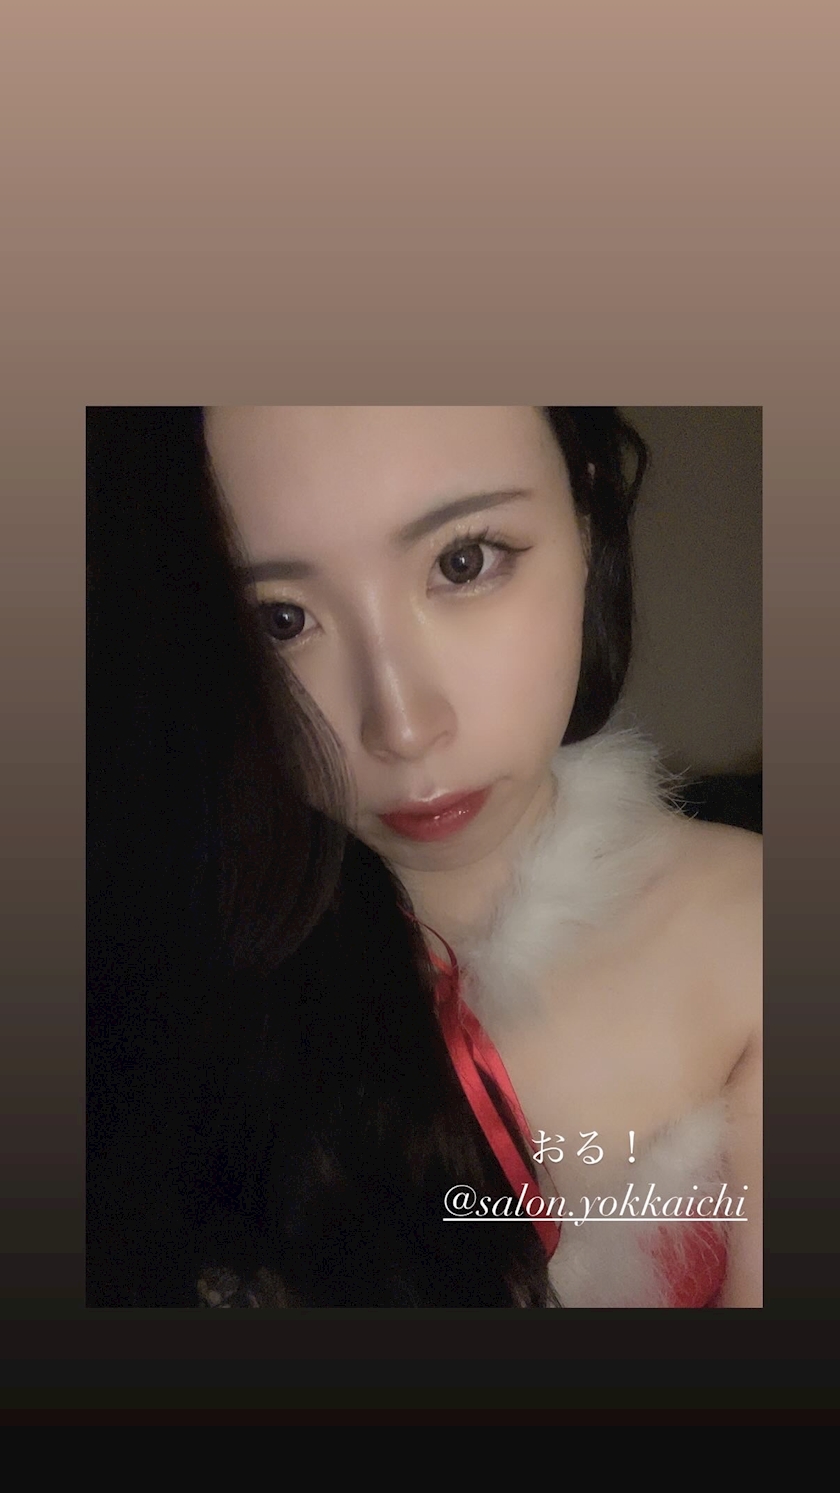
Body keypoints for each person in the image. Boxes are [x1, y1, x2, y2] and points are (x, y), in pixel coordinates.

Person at [87, 406, 761, 1309]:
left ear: (586, 517)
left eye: (464, 560)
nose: (403, 727)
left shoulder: (757, 939)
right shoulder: (143, 968)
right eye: (279, 619)